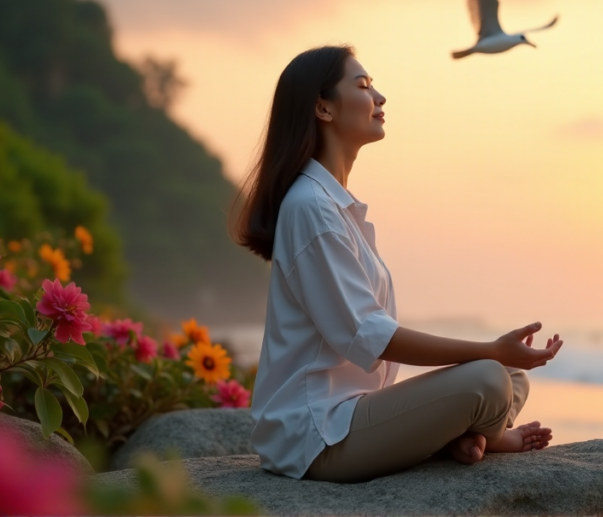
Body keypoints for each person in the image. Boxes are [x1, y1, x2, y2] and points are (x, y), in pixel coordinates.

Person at [235, 45, 565, 483]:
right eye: (364, 86)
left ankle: (465, 435)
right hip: (317, 436)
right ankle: (486, 437)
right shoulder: (310, 207)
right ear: (322, 107)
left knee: (508, 377)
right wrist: (487, 350)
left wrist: (496, 358)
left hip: (354, 416)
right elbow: (371, 337)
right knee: (488, 379)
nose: (381, 97)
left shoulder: (333, 206)